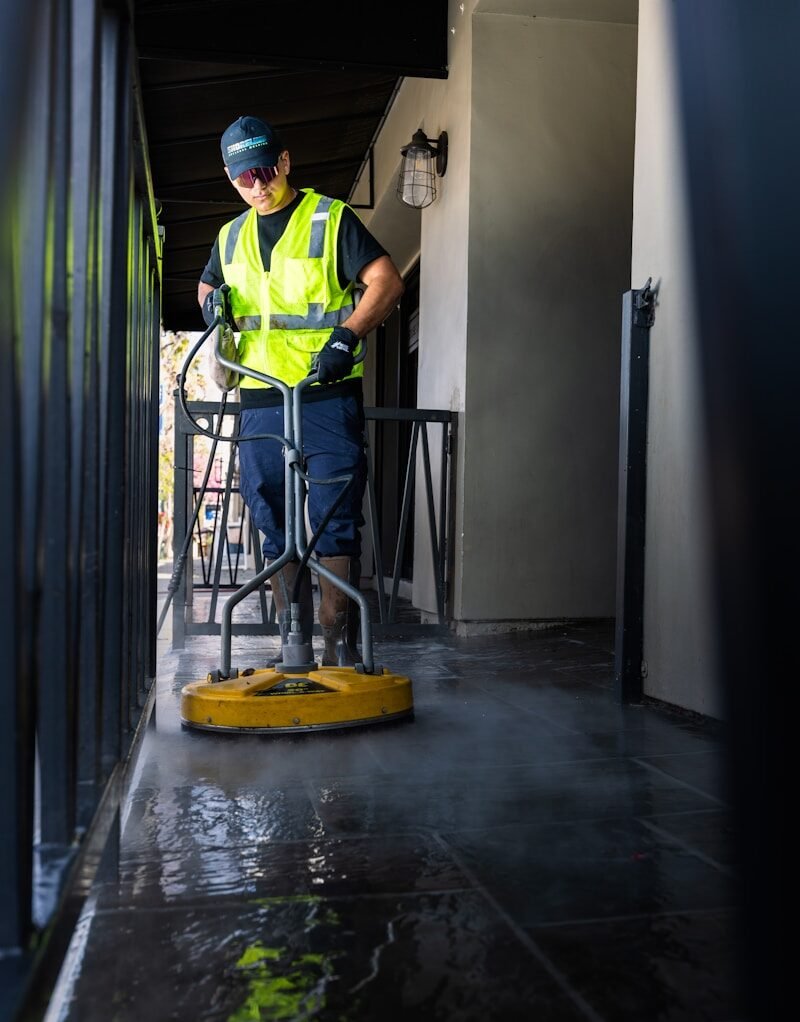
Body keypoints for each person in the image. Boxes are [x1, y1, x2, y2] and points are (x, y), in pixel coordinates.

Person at [198, 114, 404, 666]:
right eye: (245, 178)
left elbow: (386, 280)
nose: (259, 186)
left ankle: (338, 643)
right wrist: (212, 312)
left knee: (334, 512)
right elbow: (209, 283)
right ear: (229, 176)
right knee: (272, 515)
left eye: (266, 171)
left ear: (285, 161)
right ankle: (295, 643)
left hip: (323, 392)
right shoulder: (230, 235)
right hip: (261, 398)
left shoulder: (329, 219)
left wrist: (347, 336)